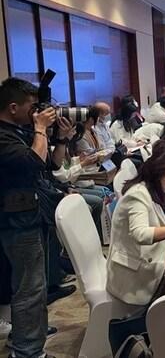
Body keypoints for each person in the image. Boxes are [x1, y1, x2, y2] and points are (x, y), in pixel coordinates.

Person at [0, 77, 75, 358]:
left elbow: (49, 165)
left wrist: (61, 138)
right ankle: (28, 351)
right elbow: (31, 162)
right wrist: (41, 128)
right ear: (12, 106)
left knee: (34, 285)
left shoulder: (19, 131)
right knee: (29, 288)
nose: (36, 113)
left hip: (31, 215)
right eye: (32, 107)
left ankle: (27, 336)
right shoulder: (3, 136)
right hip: (16, 223)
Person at [106, 149, 165, 307]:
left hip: (141, 259)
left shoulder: (148, 190)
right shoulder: (138, 195)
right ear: (157, 173)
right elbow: (141, 234)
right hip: (133, 274)